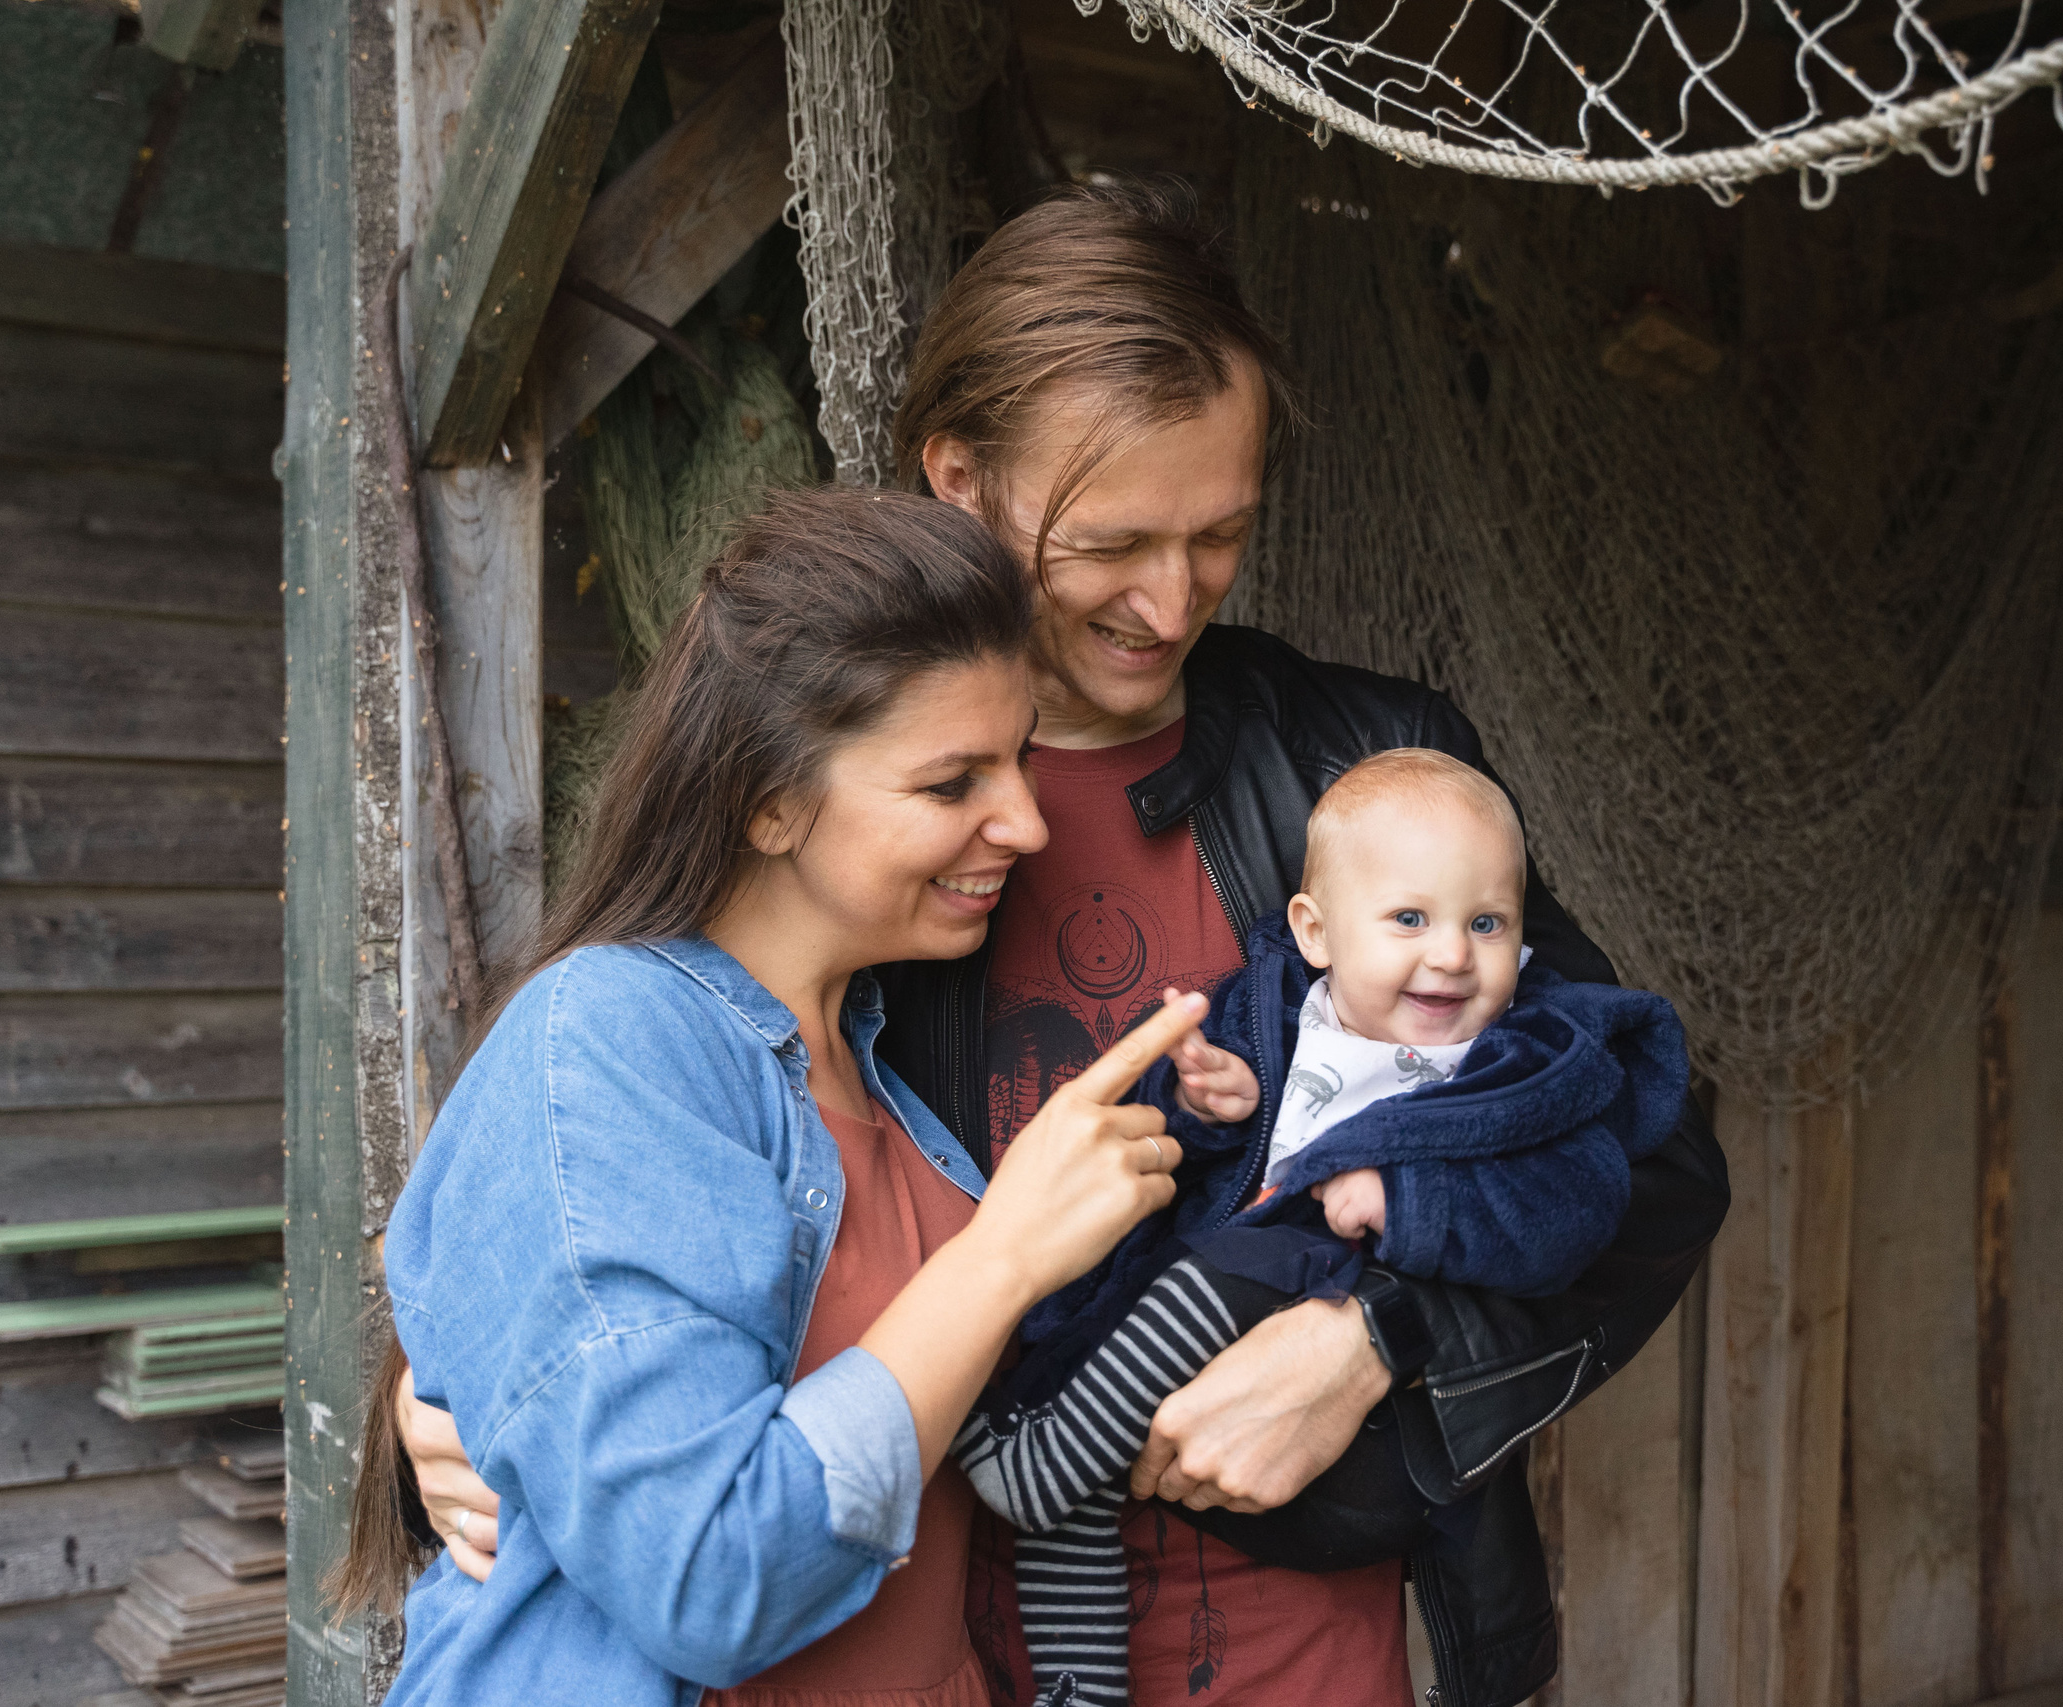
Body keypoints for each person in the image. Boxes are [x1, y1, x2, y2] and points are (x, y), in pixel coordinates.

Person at [399, 183, 1729, 1707]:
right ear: (959, 478)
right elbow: (596, 1181)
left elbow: (1657, 1146)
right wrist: (444, 1392)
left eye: (1221, 531)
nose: (1171, 599)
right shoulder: (840, 834)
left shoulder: (1366, 771)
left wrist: (1380, 1338)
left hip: (1308, 1645)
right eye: (1113, 541)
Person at [362, 488, 1218, 1707]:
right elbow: (706, 1576)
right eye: (950, 783)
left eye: (1019, 758)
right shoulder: (608, 1037)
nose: (1025, 820)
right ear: (768, 801)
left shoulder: (874, 1057)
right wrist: (1007, 1256)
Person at [952, 749, 1693, 1707]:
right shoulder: (1271, 1012)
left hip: (1330, 1346)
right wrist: (1209, 1109)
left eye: (1488, 923)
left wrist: (1412, 1204)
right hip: (1199, 1338)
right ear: (1315, 930)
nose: (1453, 954)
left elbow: (1574, 1209)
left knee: (1227, 1269)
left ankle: (1043, 1455)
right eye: (1410, 919)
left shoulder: (1518, 1071)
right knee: (1081, 1509)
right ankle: (1079, 1682)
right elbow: (1168, 1140)